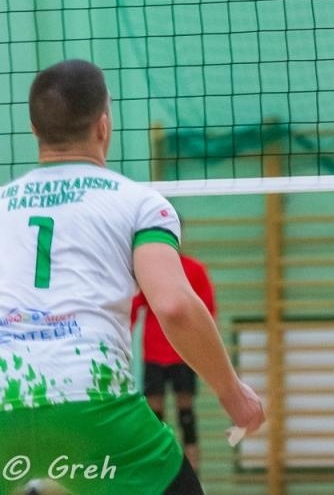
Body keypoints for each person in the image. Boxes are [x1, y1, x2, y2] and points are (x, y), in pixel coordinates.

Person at [0, 59, 264, 495]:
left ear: (33, 129)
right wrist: (232, 393)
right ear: (104, 125)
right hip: (94, 407)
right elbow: (175, 305)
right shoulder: (140, 204)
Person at [132, 253, 217, 474]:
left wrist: (203, 342)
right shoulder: (149, 267)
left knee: (185, 413)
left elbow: (207, 308)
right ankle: (155, 469)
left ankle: (192, 472)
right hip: (153, 351)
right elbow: (134, 306)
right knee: (154, 415)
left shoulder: (194, 269)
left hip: (184, 352)